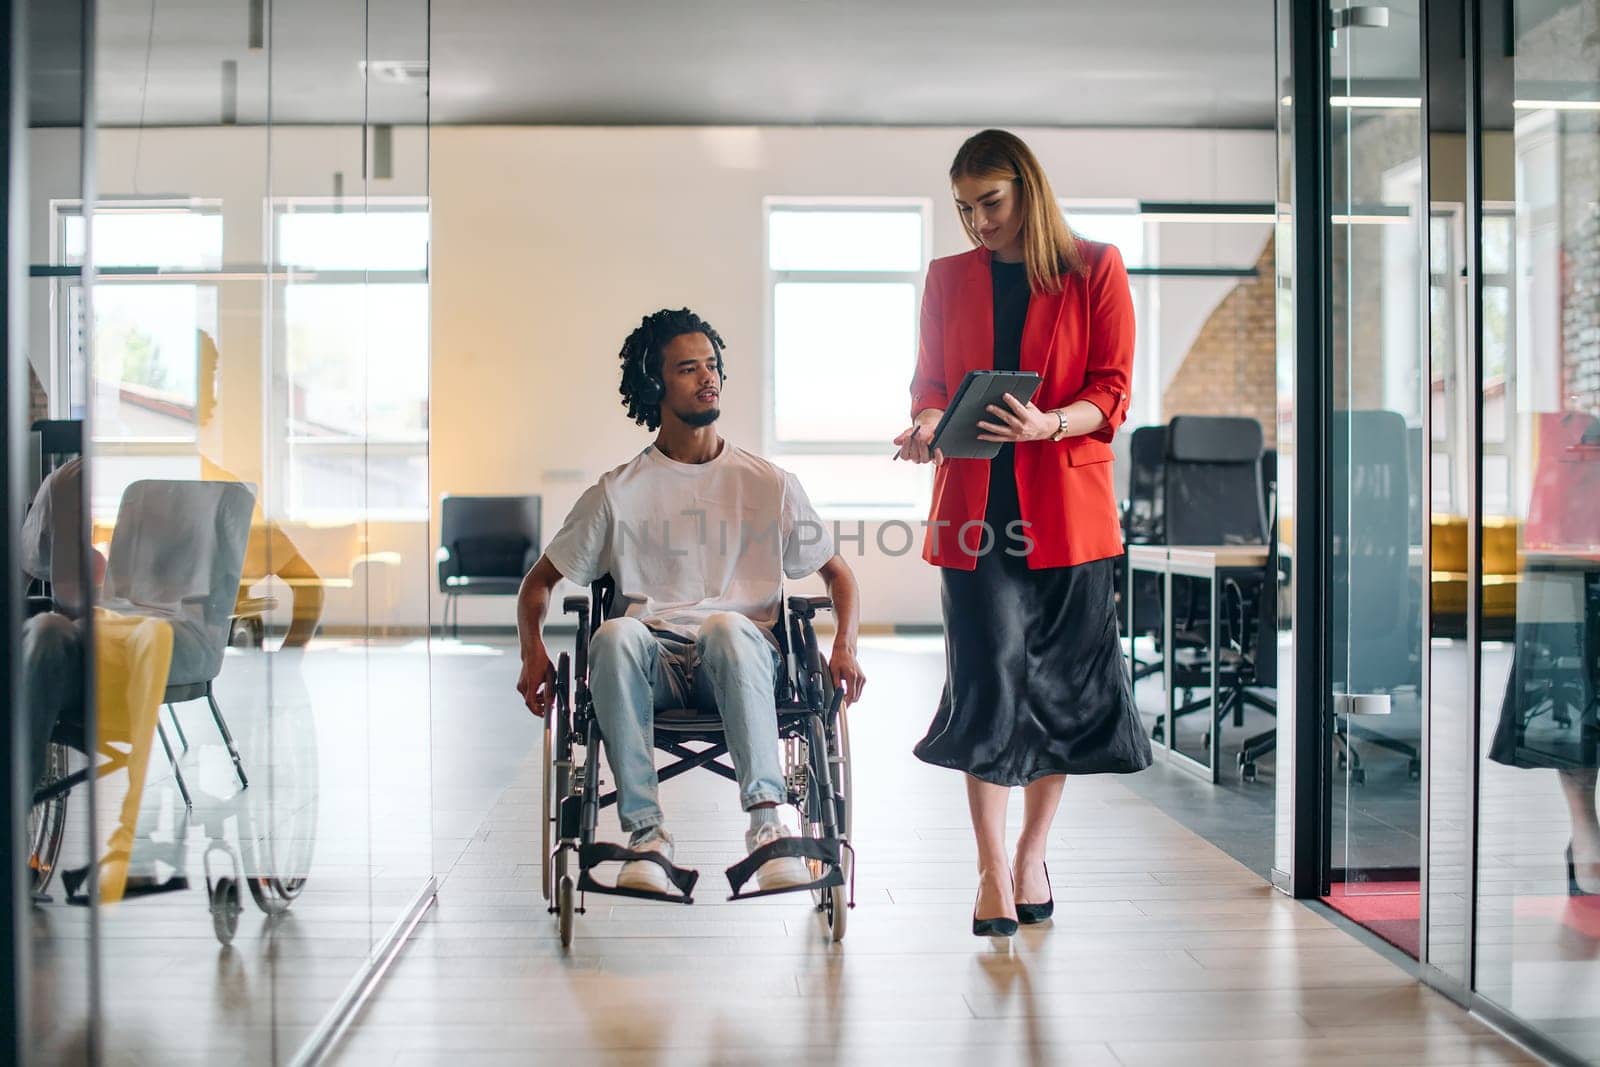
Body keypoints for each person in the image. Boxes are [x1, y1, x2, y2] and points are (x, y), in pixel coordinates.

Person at [893, 129, 1152, 937]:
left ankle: (1033, 853)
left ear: (1028, 190)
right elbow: (929, 385)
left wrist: (1048, 425)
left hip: (1068, 514)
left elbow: (1112, 392)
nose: (977, 223)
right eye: (964, 208)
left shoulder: (1094, 268)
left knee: (1059, 695)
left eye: (991, 203)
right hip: (975, 515)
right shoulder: (946, 279)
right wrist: (929, 426)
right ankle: (990, 868)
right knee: (988, 687)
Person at [516, 307, 866, 896]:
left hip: (741, 661)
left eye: (712, 365)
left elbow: (839, 575)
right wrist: (532, 654)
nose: (708, 377)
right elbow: (538, 584)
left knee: (728, 628)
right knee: (614, 635)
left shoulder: (768, 484)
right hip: (653, 666)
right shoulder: (616, 493)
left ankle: (768, 827)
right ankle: (646, 837)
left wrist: (845, 646)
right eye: (687, 368)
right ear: (655, 386)